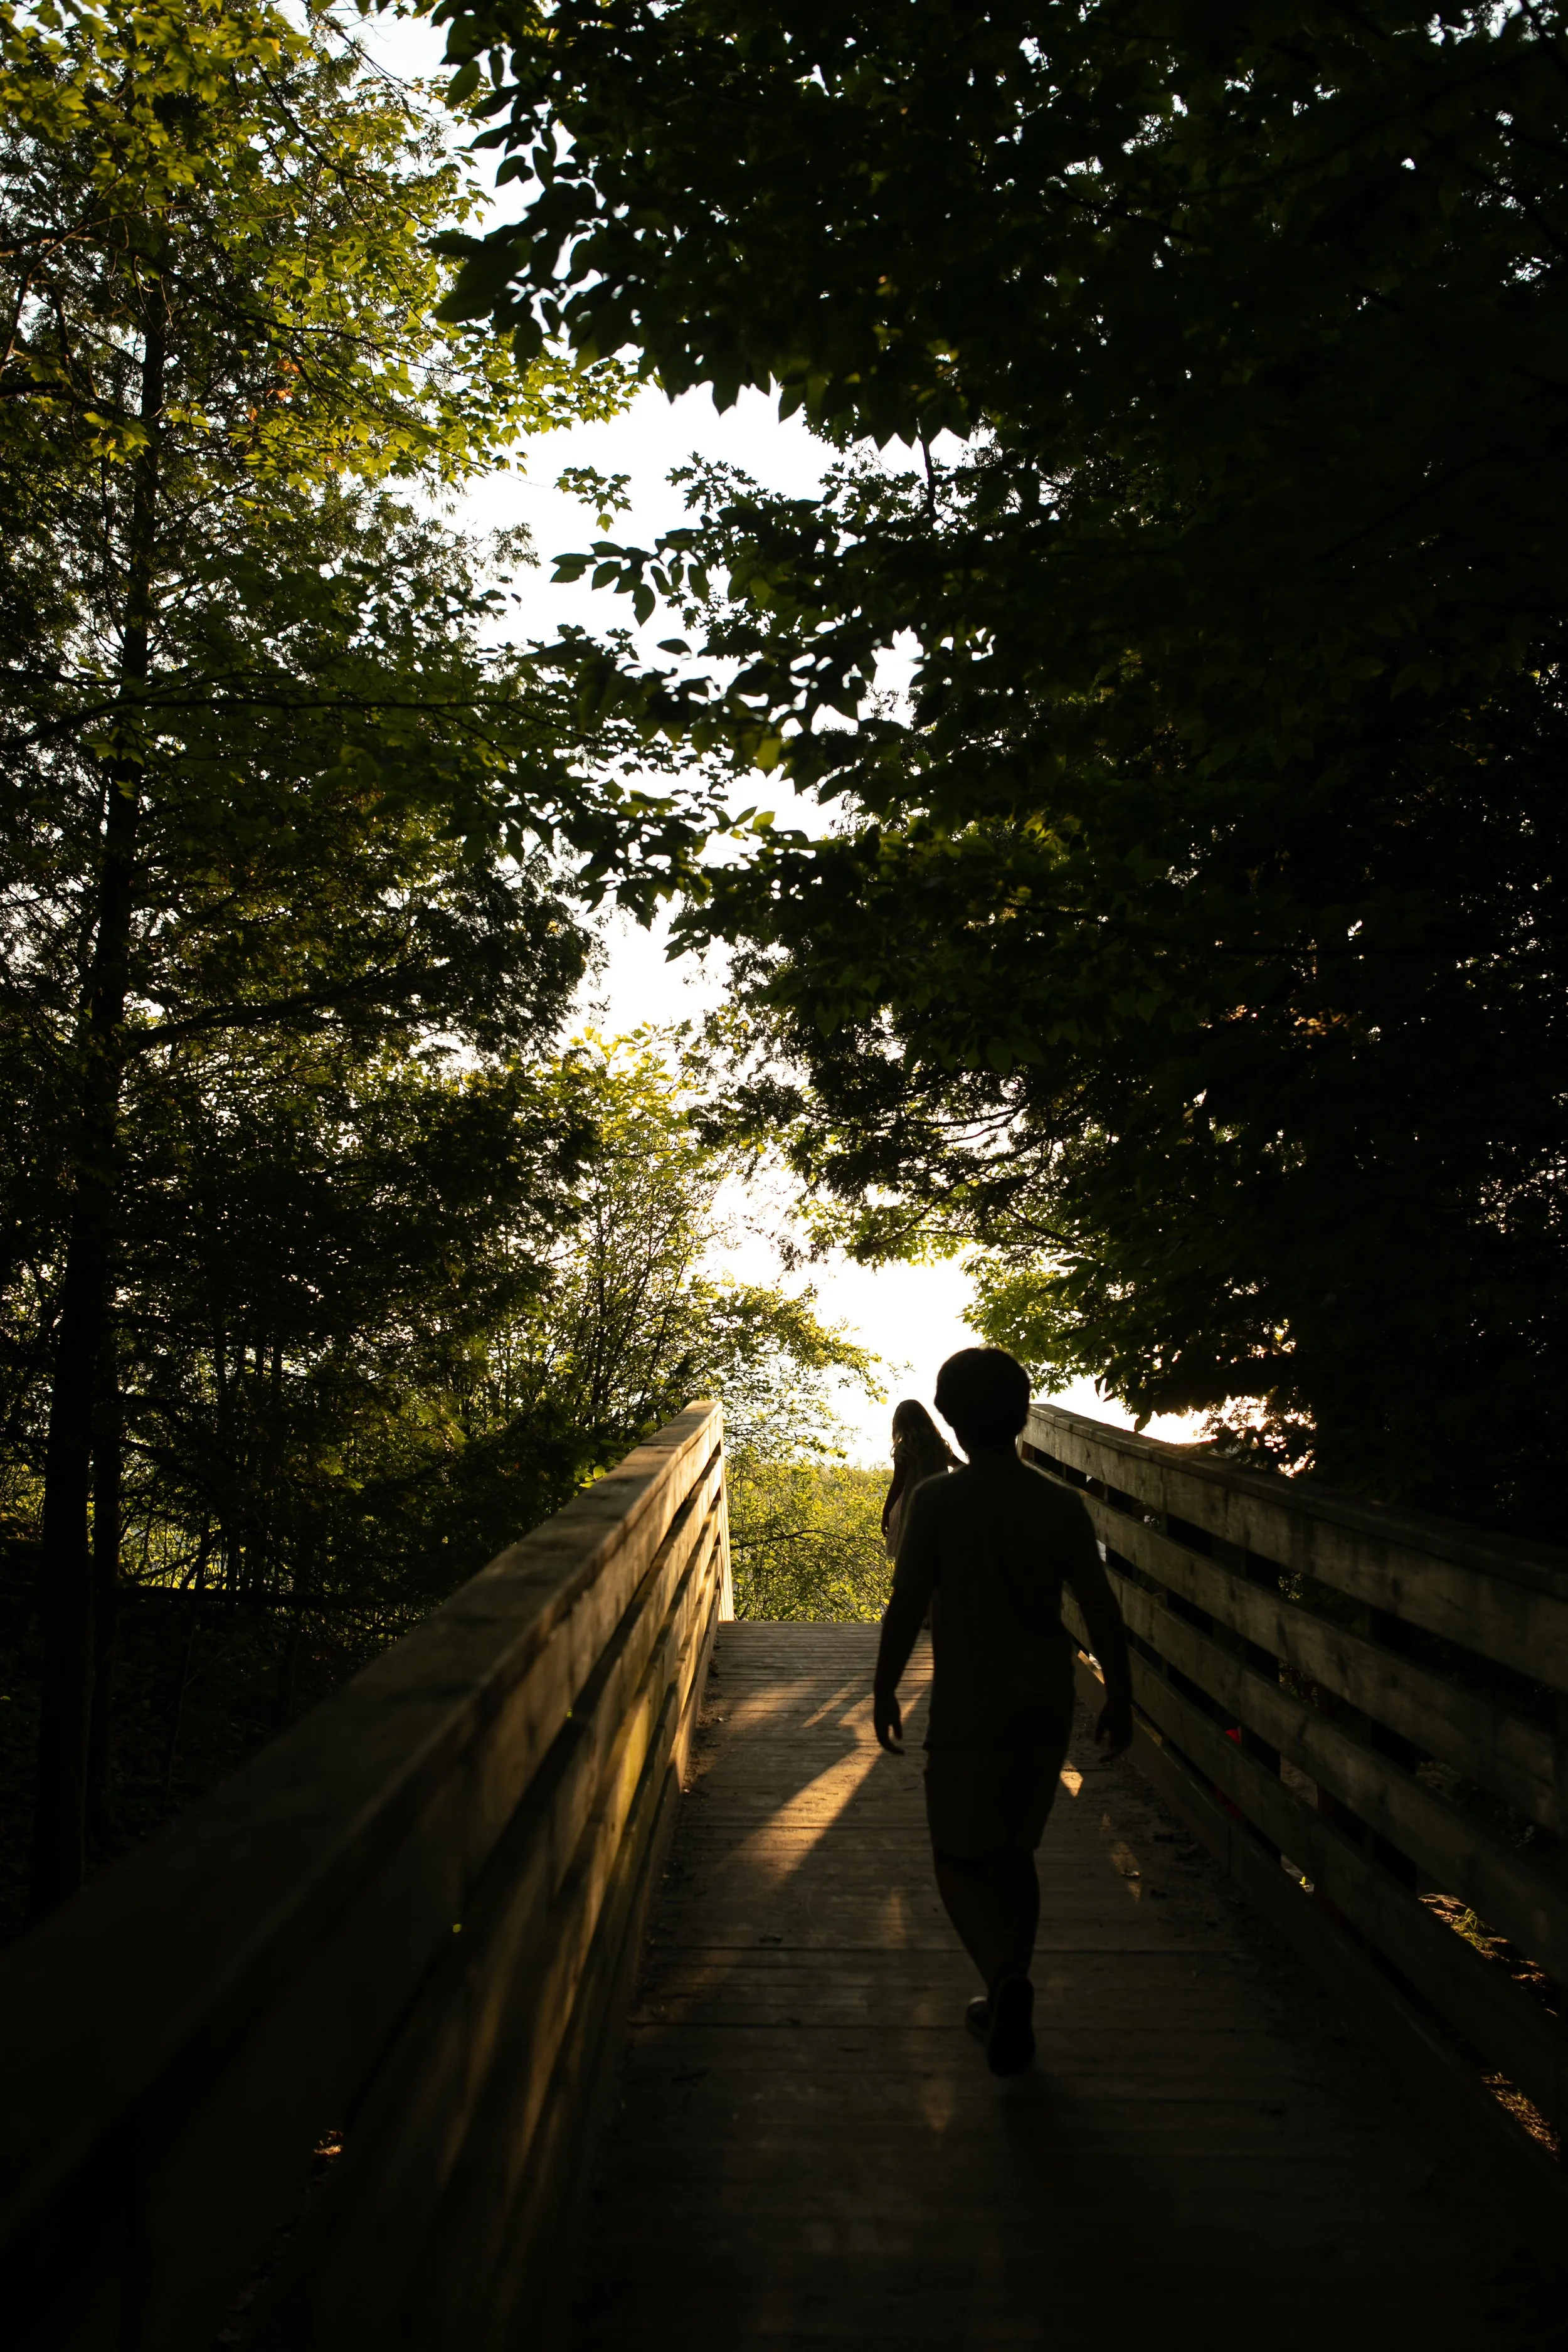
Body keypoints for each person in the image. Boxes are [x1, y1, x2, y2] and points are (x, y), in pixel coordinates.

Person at [872, 1346, 1133, 2077]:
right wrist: (1121, 1695)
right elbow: (1099, 1607)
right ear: (1022, 1415)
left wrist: (885, 1687)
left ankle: (1002, 1979)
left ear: (950, 1421)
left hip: (968, 1704)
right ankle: (1009, 1985)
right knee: (1014, 1855)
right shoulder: (1058, 1504)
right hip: (1044, 1703)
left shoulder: (937, 1502)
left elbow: (904, 1606)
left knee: (958, 1856)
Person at [881, 1397, 956, 1557]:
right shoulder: (939, 1446)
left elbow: (898, 1483)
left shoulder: (904, 1449)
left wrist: (886, 1511)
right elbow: (961, 1467)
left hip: (913, 1508)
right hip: (941, 1506)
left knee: (913, 1553)